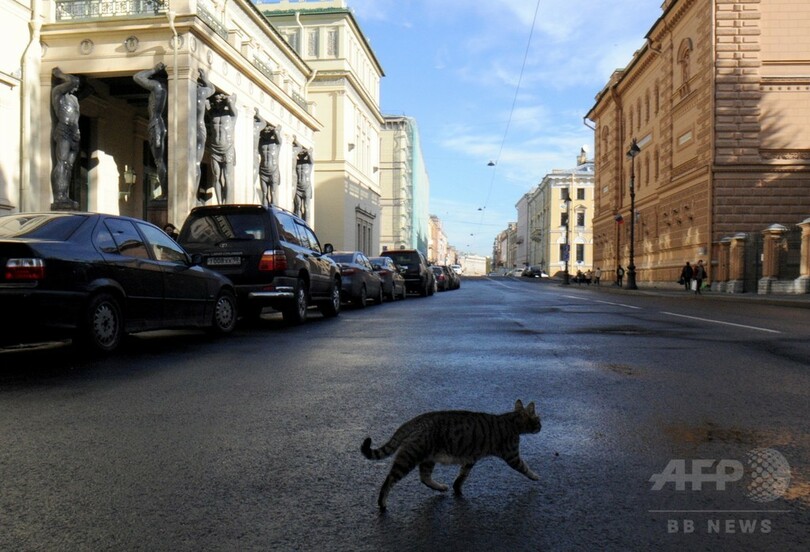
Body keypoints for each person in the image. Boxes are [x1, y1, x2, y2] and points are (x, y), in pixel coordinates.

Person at [133, 63, 168, 199]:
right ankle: (166, 192)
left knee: (160, 161)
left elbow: (137, 77)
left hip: (156, 125)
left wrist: (153, 69)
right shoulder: (169, 88)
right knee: (163, 161)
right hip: (164, 125)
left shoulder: (157, 86)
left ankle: (165, 193)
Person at [50, 67, 82, 209]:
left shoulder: (74, 99)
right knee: (62, 163)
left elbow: (76, 117)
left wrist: (77, 130)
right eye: (75, 86)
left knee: (69, 165)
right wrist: (60, 74)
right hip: (63, 129)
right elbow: (73, 80)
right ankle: (59, 196)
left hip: (73, 132)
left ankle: (65, 194)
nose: (75, 88)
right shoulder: (58, 93)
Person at [207, 92, 237, 204]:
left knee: (227, 176)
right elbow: (205, 99)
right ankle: (220, 202)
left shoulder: (231, 116)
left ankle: (227, 202)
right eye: (216, 100)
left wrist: (227, 99)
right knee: (216, 176)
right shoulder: (212, 114)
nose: (218, 102)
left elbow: (232, 102)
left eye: (220, 100)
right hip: (215, 149)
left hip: (227, 148)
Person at [194, 69, 215, 202]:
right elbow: (211, 88)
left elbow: (211, 89)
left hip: (196, 129)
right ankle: (192, 196)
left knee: (195, 162)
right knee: (195, 162)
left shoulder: (200, 93)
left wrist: (205, 79)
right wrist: (205, 79)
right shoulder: (201, 93)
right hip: (196, 128)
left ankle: (192, 196)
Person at [258, 119, 282, 207]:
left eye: (269, 130)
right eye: (266, 130)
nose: (267, 131)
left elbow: (279, 138)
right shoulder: (261, 143)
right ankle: (265, 212)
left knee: (273, 192)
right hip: (263, 170)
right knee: (264, 193)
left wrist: (276, 131)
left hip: (273, 171)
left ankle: (273, 213)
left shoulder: (276, 144)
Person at [294, 144, 313, 221]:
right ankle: (298, 221)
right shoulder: (297, 162)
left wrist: (308, 152)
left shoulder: (309, 164)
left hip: (306, 187)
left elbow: (311, 160)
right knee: (298, 205)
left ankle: (307, 224)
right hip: (298, 186)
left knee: (306, 206)